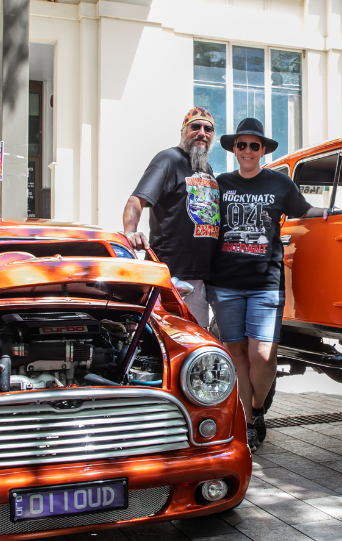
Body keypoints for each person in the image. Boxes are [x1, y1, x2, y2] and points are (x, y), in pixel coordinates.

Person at [209, 118, 325, 449]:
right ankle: (247, 421)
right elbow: (202, 223)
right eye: (241, 145)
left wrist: (336, 211)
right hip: (226, 283)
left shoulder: (280, 183)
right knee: (237, 353)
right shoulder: (220, 184)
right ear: (234, 149)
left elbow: (305, 210)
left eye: (254, 145)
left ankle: (257, 408)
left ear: (262, 150)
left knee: (262, 353)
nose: (247, 150)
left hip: (265, 282)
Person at [122, 107, 220, 326]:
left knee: (197, 344)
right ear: (183, 131)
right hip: (172, 274)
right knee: (173, 342)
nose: (202, 133)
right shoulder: (169, 159)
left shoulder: (207, 169)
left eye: (208, 129)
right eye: (195, 127)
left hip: (201, 277)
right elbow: (136, 200)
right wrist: (130, 233)